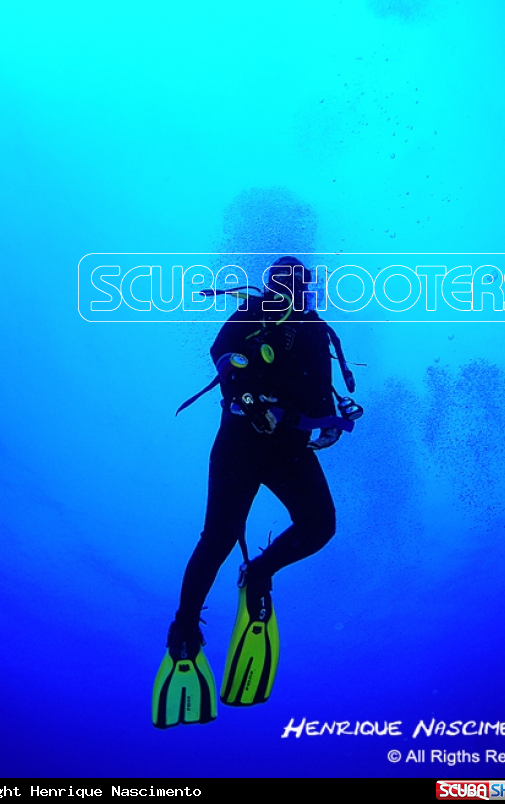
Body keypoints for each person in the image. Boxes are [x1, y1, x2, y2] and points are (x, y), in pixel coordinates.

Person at [152, 257, 361, 729]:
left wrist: (332, 424)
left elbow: (320, 396)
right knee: (219, 538)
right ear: (273, 282)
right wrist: (246, 398)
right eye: (284, 279)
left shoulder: (317, 331)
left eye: (301, 281)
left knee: (320, 525)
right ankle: (184, 629)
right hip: (242, 440)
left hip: (287, 448)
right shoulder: (256, 309)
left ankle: (259, 573)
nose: (293, 288)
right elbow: (222, 350)